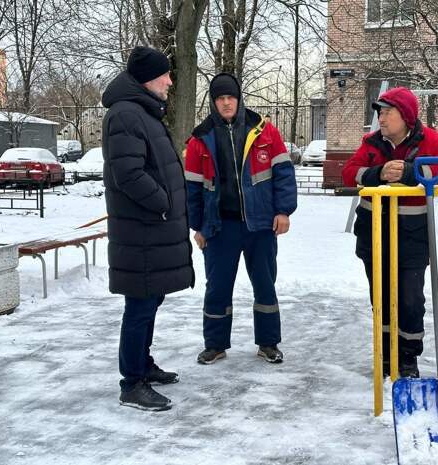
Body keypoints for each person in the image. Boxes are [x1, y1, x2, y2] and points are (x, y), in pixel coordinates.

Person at [342, 87, 438, 378]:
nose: (381, 118)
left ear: (405, 115)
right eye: (379, 112)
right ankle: (385, 355)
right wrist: (377, 173)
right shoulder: (371, 143)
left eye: (387, 112)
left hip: (412, 237)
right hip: (374, 235)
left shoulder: (432, 141)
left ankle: (408, 359)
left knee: (410, 300)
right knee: (380, 298)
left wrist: (411, 173)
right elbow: (348, 172)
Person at [102, 46, 195, 411]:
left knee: (150, 299)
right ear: (147, 78)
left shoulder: (141, 112)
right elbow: (128, 174)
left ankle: (144, 365)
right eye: (165, 75)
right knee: (139, 305)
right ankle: (132, 382)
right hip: (141, 230)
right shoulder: (126, 114)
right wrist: (164, 203)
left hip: (150, 229)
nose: (171, 81)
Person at [185, 72, 297, 365]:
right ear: (213, 102)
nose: (226, 103)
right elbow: (193, 188)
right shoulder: (199, 138)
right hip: (220, 226)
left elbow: (284, 174)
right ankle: (215, 344)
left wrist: (283, 210)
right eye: (220, 98)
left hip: (260, 224)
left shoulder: (265, 131)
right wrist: (197, 227)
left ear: (239, 99)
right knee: (218, 286)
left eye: (230, 97)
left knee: (264, 283)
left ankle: (268, 343)